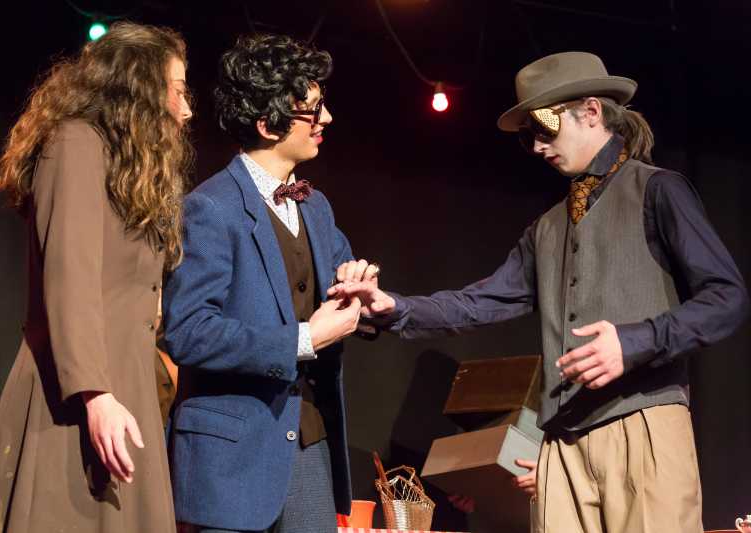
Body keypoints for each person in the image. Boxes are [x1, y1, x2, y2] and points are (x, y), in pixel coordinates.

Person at [329, 51, 749, 533]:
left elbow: (726, 297)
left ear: (591, 112)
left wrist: (634, 341)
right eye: (527, 136)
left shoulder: (658, 191)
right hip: (562, 442)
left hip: (642, 422)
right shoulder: (546, 228)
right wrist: (394, 307)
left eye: (545, 129)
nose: (536, 146)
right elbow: (480, 302)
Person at [0, 22, 193, 533]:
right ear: (138, 88)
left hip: (125, 384)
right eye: (178, 91)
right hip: (76, 391)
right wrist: (96, 395)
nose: (186, 110)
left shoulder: (123, 167)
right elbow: (69, 278)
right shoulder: (75, 143)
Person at [162, 34, 378, 533]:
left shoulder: (315, 207)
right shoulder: (210, 209)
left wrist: (361, 290)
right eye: (313, 110)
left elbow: (346, 295)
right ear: (267, 123)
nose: (327, 119)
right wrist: (305, 338)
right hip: (230, 460)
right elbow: (188, 332)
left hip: (307, 444)